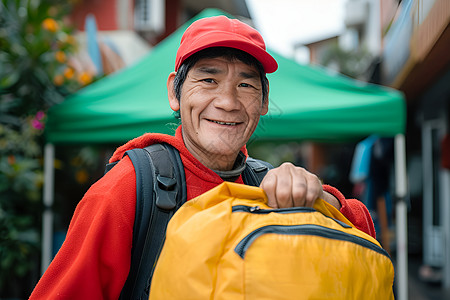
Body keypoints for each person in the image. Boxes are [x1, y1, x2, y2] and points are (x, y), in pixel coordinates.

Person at [29, 15, 376, 299]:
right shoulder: (129, 189)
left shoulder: (268, 188)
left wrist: (320, 196)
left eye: (245, 85)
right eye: (208, 79)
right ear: (174, 93)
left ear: (264, 103)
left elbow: (364, 241)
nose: (227, 101)